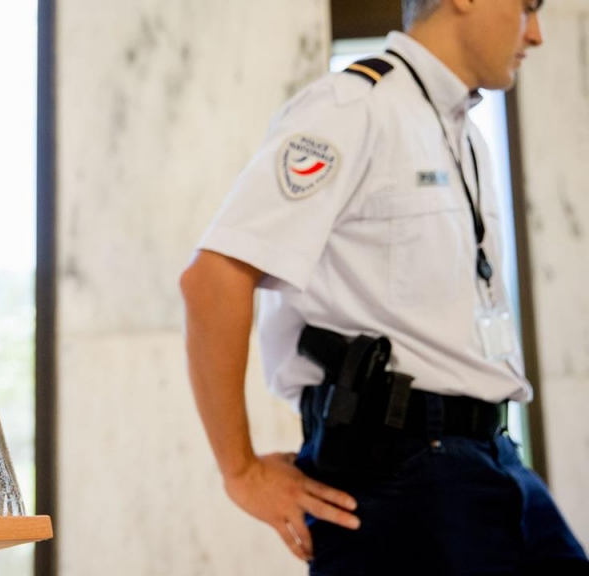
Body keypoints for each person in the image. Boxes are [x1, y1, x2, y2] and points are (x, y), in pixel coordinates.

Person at [180, 0, 589, 573]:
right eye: (526, 7)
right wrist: (240, 471)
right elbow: (212, 278)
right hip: (401, 470)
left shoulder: (462, 135)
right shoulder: (351, 107)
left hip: (489, 454)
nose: (537, 34)